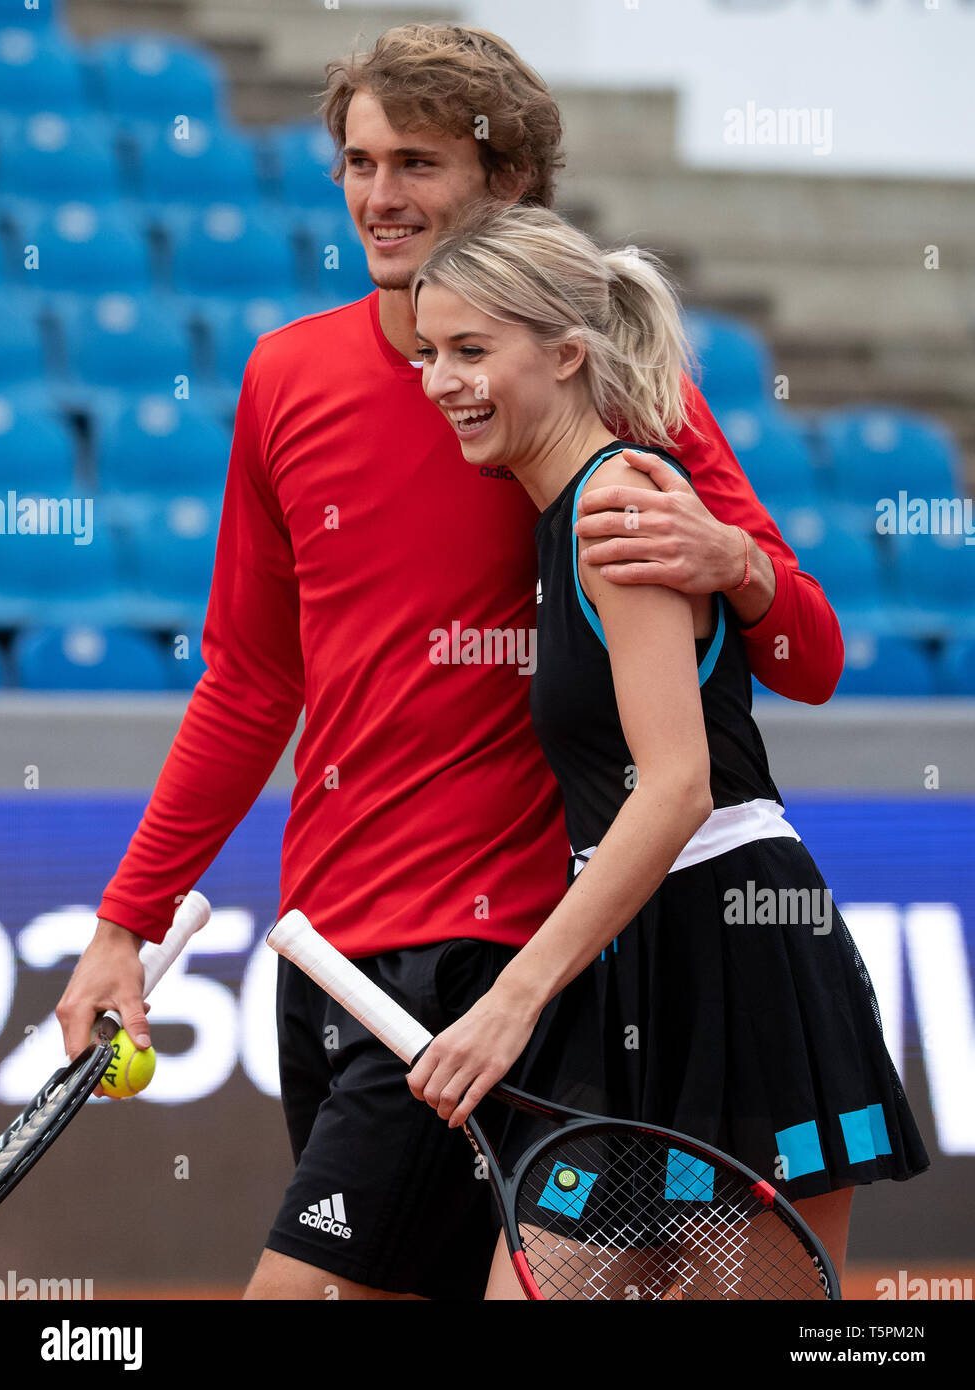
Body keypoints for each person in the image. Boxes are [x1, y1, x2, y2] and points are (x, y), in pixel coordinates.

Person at [55, 24, 845, 1302]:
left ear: (510, 182)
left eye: (415, 162)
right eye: (357, 162)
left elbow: (809, 655)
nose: (378, 197)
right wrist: (124, 924)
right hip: (322, 954)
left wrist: (737, 563)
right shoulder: (284, 377)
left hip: (504, 963)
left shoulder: (606, 392)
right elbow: (251, 683)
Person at [405, 198, 930, 1299]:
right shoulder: (567, 514)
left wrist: (513, 998)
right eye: (427, 352)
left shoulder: (620, 505)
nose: (440, 379)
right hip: (628, 957)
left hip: (730, 946)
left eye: (469, 350)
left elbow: (678, 785)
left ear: (565, 352)